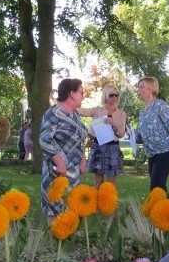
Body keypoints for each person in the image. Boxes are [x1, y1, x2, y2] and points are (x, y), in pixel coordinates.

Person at [39, 78, 88, 218]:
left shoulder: (76, 114)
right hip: (56, 172)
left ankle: (72, 239)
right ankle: (55, 239)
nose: (83, 96)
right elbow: (44, 139)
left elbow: (79, 140)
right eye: (81, 92)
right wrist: (59, 162)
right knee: (56, 210)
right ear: (72, 93)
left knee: (72, 209)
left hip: (74, 171)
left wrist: (83, 159)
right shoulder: (54, 113)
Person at [136, 76, 169, 195]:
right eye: (138, 87)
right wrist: (129, 135)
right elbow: (139, 136)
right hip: (152, 154)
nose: (138, 90)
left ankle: (161, 212)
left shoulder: (160, 105)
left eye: (141, 87)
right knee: (159, 187)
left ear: (151, 89)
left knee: (156, 186)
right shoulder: (143, 112)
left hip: (165, 151)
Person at [77, 84, 127, 187]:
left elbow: (121, 133)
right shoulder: (97, 110)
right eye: (111, 95)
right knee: (98, 183)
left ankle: (108, 202)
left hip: (113, 148)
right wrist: (68, 106)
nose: (114, 97)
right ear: (105, 95)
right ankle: (97, 202)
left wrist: (113, 124)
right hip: (98, 147)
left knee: (110, 185)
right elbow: (83, 111)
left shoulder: (122, 114)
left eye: (116, 95)